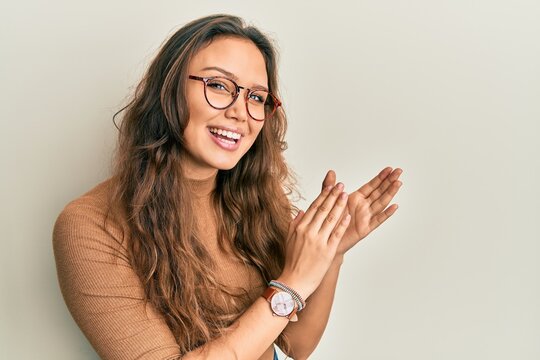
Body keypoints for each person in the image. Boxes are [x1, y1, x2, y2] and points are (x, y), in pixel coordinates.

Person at [52, 14, 403, 360]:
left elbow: (295, 345)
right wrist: (292, 282)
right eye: (219, 86)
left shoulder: (257, 200)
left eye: (256, 97)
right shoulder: (89, 225)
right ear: (168, 91)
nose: (241, 112)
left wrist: (330, 255)